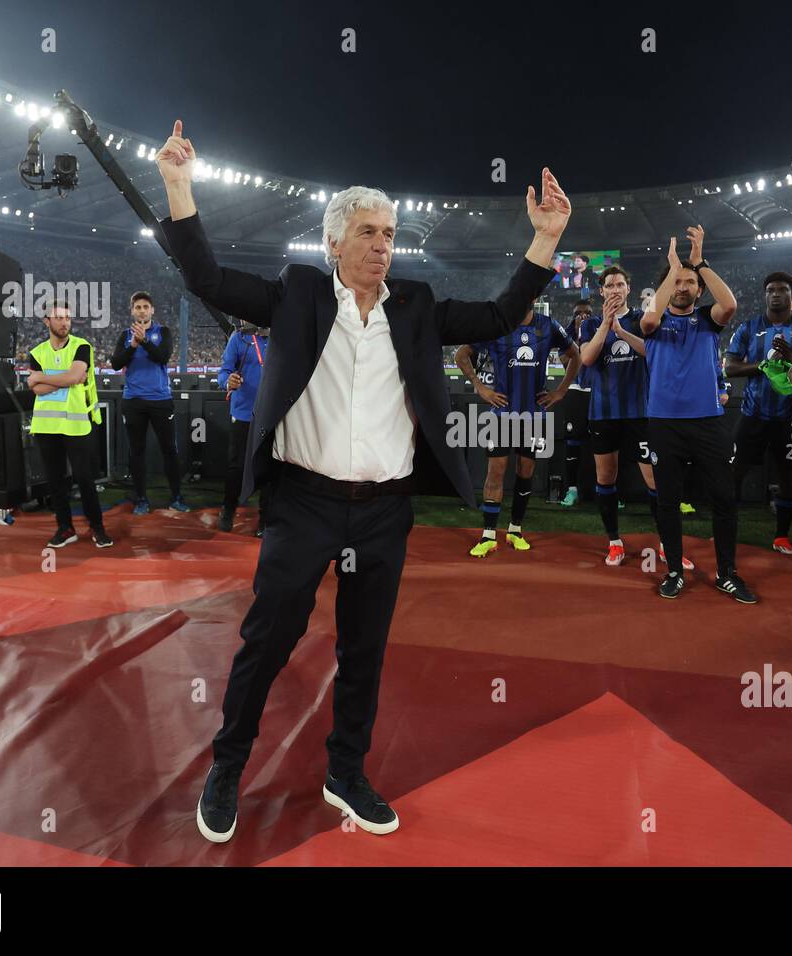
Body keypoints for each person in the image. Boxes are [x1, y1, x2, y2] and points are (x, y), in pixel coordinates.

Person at [156, 120, 568, 841]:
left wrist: (545, 240)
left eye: (390, 232)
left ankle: (346, 772)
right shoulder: (297, 294)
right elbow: (208, 279)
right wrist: (179, 188)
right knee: (267, 641)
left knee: (364, 649)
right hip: (303, 504)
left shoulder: (417, 308)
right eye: (370, 232)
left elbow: (502, 314)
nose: (383, 244)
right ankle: (228, 766)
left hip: (383, 512)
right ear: (335, 242)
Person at [640, 228, 756, 603]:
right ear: (667, 285)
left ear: (699, 288)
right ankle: (674, 571)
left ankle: (727, 573)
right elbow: (647, 321)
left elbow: (732, 305)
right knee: (668, 501)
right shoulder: (654, 323)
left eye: (690, 282)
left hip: (708, 421)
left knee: (723, 497)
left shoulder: (709, 318)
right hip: (664, 423)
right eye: (677, 281)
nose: (683, 286)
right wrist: (673, 267)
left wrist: (700, 260)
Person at [579, 266, 684, 567]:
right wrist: (607, 325)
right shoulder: (590, 324)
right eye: (609, 285)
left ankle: (666, 544)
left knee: (655, 480)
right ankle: (614, 541)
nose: (614, 289)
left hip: (640, 412)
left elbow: (654, 354)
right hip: (603, 412)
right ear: (602, 291)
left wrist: (622, 332)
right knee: (605, 477)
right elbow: (587, 358)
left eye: (620, 284)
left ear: (628, 289)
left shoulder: (643, 319)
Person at [456, 307, 580, 555]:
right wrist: (480, 387)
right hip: (502, 414)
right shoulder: (497, 325)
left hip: (533, 416)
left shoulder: (549, 325)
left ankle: (515, 530)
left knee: (526, 471)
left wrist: (561, 391)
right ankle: (488, 535)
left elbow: (575, 356)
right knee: (496, 472)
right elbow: (461, 354)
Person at [724, 272, 792, 556]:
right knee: (734, 472)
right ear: (765, 295)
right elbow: (730, 368)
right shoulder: (748, 328)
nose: (776, 294)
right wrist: (765, 364)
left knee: (788, 476)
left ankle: (782, 537)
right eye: (770, 290)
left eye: (782, 290)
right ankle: (727, 528)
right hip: (753, 413)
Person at [25, 301, 112, 549]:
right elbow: (37, 388)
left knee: (85, 479)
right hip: (46, 427)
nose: (65, 322)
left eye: (67, 318)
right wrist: (62, 380)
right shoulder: (37, 352)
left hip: (76, 425)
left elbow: (73, 377)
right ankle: (65, 528)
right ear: (47, 322)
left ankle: (97, 528)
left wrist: (42, 377)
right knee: (55, 482)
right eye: (59, 318)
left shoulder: (81, 347)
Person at [110, 291, 190, 514]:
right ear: (132, 311)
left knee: (169, 450)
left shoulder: (163, 331)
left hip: (160, 399)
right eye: (138, 307)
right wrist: (133, 345)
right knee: (136, 451)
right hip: (133, 400)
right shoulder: (125, 335)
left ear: (152, 310)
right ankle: (142, 499)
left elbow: (163, 356)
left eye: (146, 306)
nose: (142, 310)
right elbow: (116, 363)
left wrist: (144, 341)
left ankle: (177, 496)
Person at [216, 321, 271, 534]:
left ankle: (266, 519)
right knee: (236, 467)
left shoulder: (280, 334)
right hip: (243, 413)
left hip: (271, 414)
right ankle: (228, 510)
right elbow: (224, 372)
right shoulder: (239, 338)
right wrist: (227, 381)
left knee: (269, 468)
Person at [560, 299, 595, 507]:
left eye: (587, 313)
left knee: (604, 443)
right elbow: (565, 362)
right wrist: (576, 337)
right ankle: (572, 490)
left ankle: (607, 491)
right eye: (579, 313)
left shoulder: (600, 328)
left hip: (596, 391)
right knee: (573, 441)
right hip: (574, 390)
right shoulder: (565, 334)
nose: (583, 316)